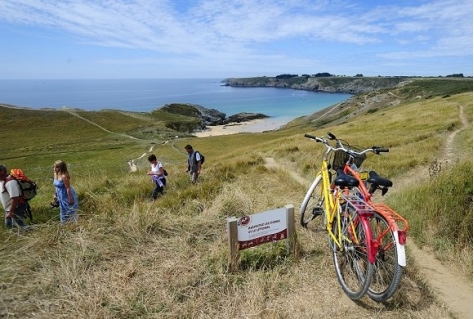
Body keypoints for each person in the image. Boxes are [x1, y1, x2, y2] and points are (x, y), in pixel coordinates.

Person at [0, 164, 27, 228]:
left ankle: (37, 231)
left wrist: (11, 212)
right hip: (9, 209)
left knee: (20, 227)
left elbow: (15, 198)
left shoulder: (10, 183)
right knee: (9, 225)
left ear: (2, 172)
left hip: (16, 208)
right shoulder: (2, 181)